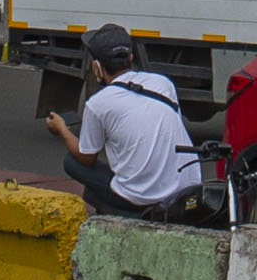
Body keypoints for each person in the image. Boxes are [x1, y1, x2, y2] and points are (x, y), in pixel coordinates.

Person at [42, 22, 202, 219]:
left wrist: (62, 129)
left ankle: (129, 214)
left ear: (97, 67)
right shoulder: (163, 83)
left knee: (72, 162)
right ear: (131, 57)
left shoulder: (98, 104)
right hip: (186, 191)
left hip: (145, 199)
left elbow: (86, 157)